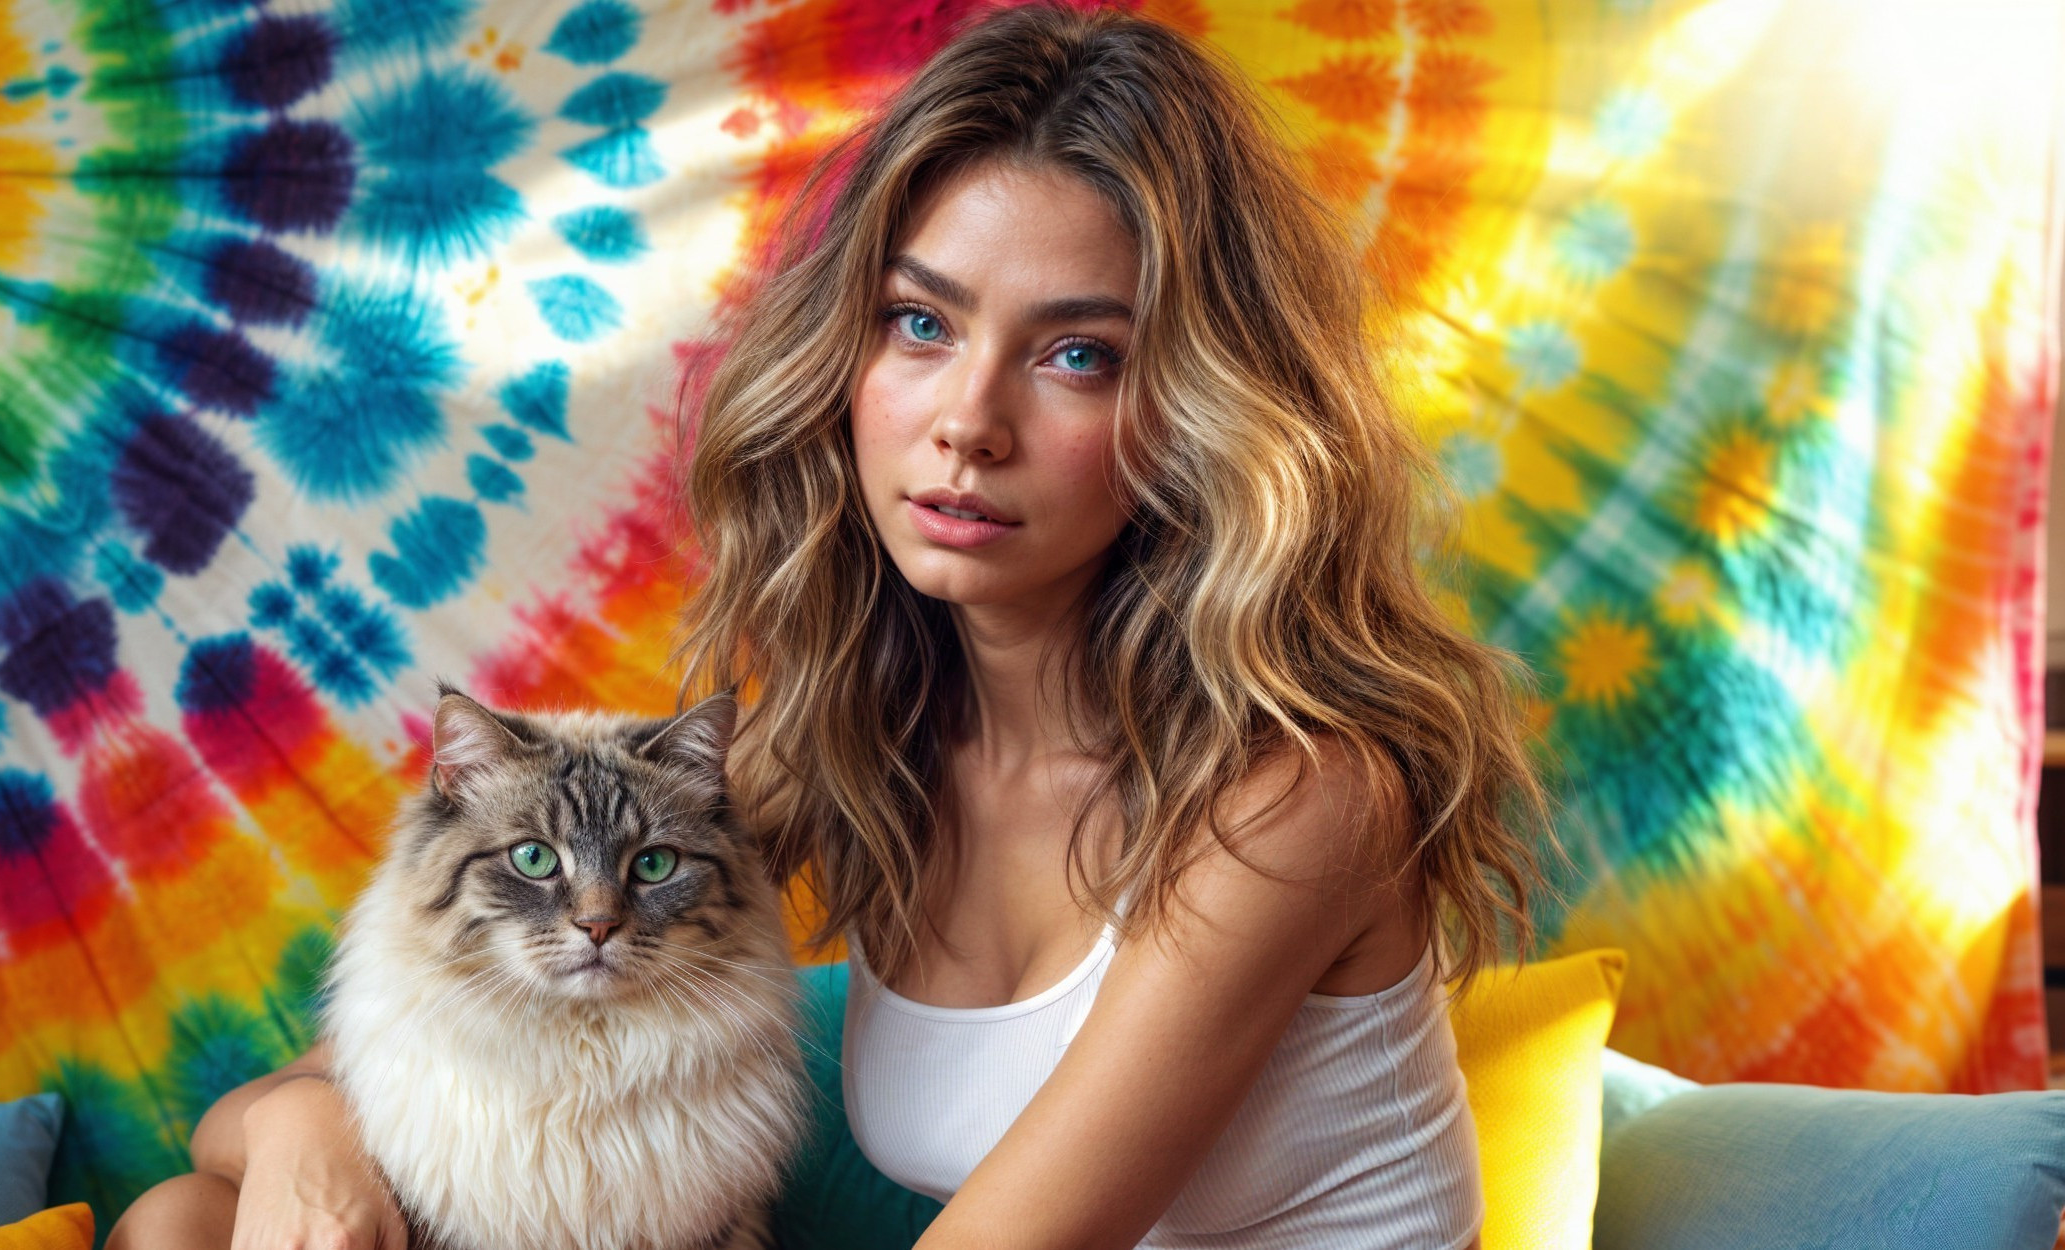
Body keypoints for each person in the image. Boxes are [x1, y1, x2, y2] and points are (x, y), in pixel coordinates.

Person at [110, 3, 1557, 1247]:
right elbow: (290, 1098)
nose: (965, 425)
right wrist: (314, 1125)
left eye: (1075, 355)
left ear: (1201, 410)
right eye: (921, 324)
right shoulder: (852, 745)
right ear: (848, 352)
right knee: (181, 1217)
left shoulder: (1298, 793)